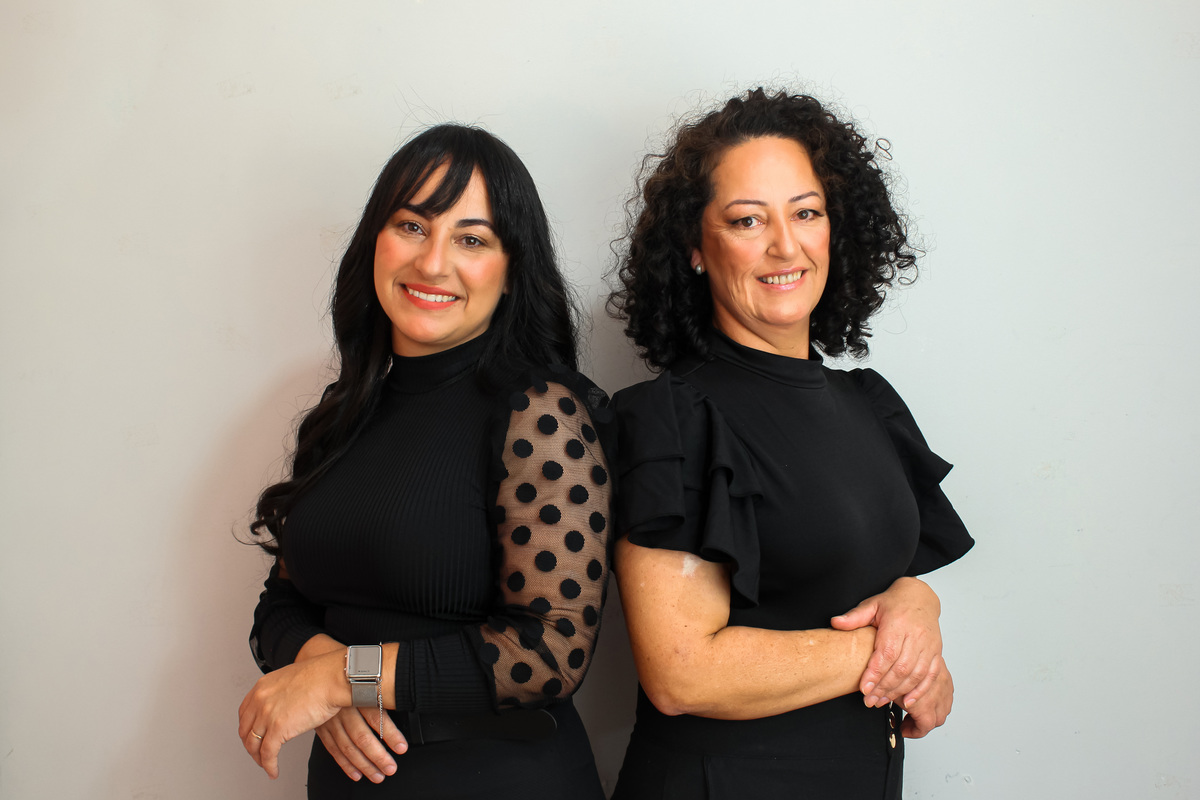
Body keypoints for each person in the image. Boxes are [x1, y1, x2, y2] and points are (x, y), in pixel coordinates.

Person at [606, 88, 974, 799]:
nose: (785, 245)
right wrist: (897, 655)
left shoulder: (865, 403)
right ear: (695, 248)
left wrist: (917, 603)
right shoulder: (671, 418)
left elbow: (858, 572)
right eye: (747, 220)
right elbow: (682, 673)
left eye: (806, 213)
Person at [238, 124, 613, 799]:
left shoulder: (540, 414)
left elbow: (550, 650)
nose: (433, 262)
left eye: (472, 239)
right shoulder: (342, 414)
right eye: (412, 226)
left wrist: (342, 679)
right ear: (374, 243)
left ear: (511, 271)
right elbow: (281, 606)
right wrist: (330, 675)